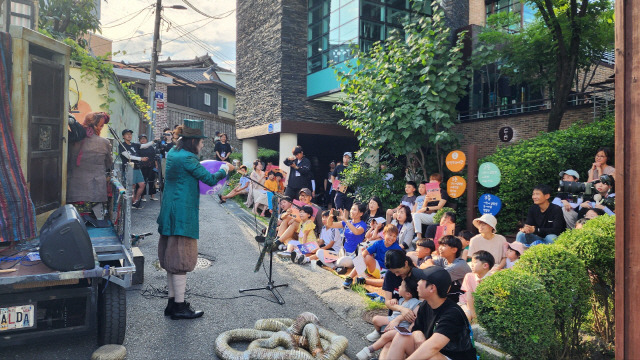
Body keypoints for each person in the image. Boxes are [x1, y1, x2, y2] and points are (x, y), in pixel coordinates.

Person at [156, 121, 235, 320]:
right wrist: (226, 169)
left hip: (169, 209)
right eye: (200, 142)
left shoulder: (174, 153)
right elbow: (209, 179)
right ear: (192, 141)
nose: (202, 146)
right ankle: (180, 307)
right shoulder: (189, 158)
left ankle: (172, 304)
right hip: (182, 213)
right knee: (181, 258)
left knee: (170, 259)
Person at [379, 267, 477, 360]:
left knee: (430, 356)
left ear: (431, 288)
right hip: (437, 353)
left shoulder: (452, 314)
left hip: (452, 357)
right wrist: (417, 334)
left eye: (421, 280)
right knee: (401, 337)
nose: (418, 283)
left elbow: (433, 347)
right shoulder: (426, 304)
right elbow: (416, 328)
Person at [357, 277, 422, 360]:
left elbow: (416, 318)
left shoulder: (415, 303)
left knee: (387, 337)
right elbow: (392, 306)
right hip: (392, 320)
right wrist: (394, 301)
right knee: (376, 319)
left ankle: (370, 349)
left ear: (408, 294)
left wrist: (409, 329)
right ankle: (378, 333)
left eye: (401, 286)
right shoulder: (401, 299)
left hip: (402, 328)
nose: (399, 287)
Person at [66, 112, 113, 208]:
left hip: (74, 188)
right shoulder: (104, 142)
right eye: (101, 126)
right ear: (97, 126)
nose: (101, 128)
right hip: (95, 190)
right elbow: (109, 163)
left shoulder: (72, 140)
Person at [343, 224, 403, 288]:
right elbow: (366, 251)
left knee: (389, 282)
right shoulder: (378, 243)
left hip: (388, 272)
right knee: (366, 257)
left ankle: (363, 280)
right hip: (376, 267)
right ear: (384, 234)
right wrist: (360, 260)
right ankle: (350, 278)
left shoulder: (397, 248)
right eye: (390, 235)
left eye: (394, 236)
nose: (392, 238)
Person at [318, 203, 367, 270]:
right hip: (342, 253)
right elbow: (330, 225)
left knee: (342, 261)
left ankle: (332, 263)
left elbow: (356, 232)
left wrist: (345, 220)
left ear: (361, 213)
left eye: (355, 210)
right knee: (319, 252)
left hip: (353, 256)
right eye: (352, 209)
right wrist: (330, 216)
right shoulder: (347, 223)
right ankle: (335, 267)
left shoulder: (362, 224)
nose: (352, 211)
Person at [424, 235, 471, 302]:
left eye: (444, 246)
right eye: (440, 245)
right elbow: (428, 262)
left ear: (454, 250)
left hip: (464, 295)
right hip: (453, 291)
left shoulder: (459, 265)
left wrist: (430, 267)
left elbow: (436, 276)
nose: (440, 248)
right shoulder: (443, 258)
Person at [119, 129, 153, 209]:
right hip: (129, 168)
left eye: (130, 134)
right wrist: (141, 158)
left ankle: (135, 201)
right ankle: (131, 203)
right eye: (127, 134)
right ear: (123, 136)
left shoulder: (134, 145)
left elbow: (144, 146)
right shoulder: (122, 145)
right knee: (132, 186)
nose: (129, 135)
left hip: (137, 167)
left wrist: (154, 141)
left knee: (142, 184)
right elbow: (128, 157)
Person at [459, 250, 495, 322]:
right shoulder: (469, 276)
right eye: (471, 262)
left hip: (481, 306)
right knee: (467, 316)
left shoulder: (492, 279)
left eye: (475, 262)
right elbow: (469, 298)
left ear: (485, 265)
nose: (471, 264)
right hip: (466, 304)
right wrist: (474, 316)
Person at [413, 174, 449, 240]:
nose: (432, 182)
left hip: (437, 215)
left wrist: (427, 208)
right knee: (415, 215)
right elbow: (423, 209)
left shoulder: (443, 193)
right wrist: (426, 201)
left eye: (434, 181)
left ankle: (418, 237)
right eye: (431, 180)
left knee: (416, 215)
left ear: (439, 182)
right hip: (428, 215)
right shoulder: (429, 193)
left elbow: (439, 207)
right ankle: (417, 237)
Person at [137, 134, 158, 201]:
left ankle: (152, 195)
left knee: (152, 181)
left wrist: (156, 165)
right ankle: (142, 196)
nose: (143, 140)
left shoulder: (151, 148)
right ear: (139, 140)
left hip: (151, 166)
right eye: (141, 138)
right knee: (143, 181)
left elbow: (154, 157)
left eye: (144, 138)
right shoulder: (138, 147)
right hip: (142, 166)